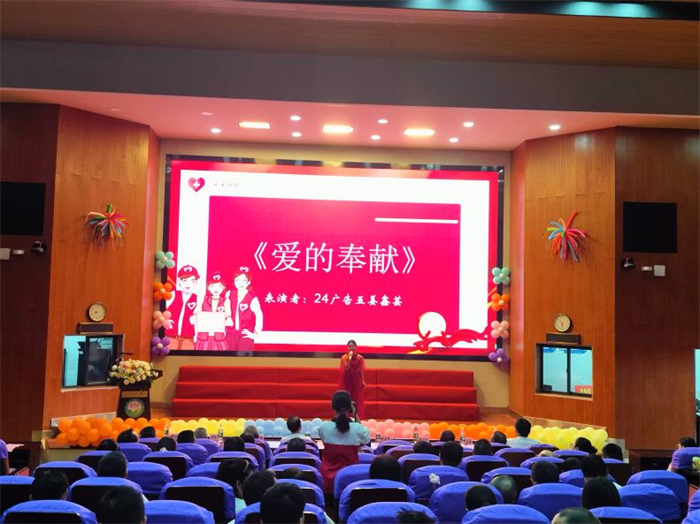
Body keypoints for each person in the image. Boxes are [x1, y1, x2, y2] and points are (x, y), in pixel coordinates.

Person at [318, 390, 370, 493]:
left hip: (328, 480)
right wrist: (355, 415)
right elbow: (366, 440)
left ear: (333, 407)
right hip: (349, 479)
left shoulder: (323, 427)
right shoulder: (358, 428)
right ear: (349, 407)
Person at [226, 267, 263, 355]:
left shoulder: (252, 297)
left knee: (243, 359)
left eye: (244, 280)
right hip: (230, 333)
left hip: (245, 333)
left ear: (248, 282)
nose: (240, 283)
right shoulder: (229, 294)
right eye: (237, 280)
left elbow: (259, 315)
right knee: (229, 358)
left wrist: (255, 333)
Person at [165, 264, 200, 349]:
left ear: (196, 282)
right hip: (170, 337)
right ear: (179, 281)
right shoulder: (173, 294)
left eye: (192, 281)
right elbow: (161, 310)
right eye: (185, 281)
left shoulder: (198, 298)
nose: (188, 284)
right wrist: (165, 320)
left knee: (189, 357)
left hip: (188, 339)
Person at [194, 272, 231, 351]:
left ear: (223, 287)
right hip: (204, 335)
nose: (216, 289)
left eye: (219, 286)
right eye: (213, 286)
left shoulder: (225, 300)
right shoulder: (203, 298)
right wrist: (194, 316)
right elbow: (198, 309)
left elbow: (228, 313)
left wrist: (228, 319)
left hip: (218, 335)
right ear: (208, 287)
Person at [338, 339, 366, 419]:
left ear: (356, 347)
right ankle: (345, 416)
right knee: (346, 397)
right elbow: (346, 368)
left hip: (356, 380)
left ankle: (356, 417)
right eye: (349, 346)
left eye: (353, 346)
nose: (351, 348)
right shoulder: (344, 357)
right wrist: (349, 358)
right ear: (347, 347)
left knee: (356, 398)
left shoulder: (360, 358)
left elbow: (361, 370)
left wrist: (363, 381)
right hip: (346, 379)